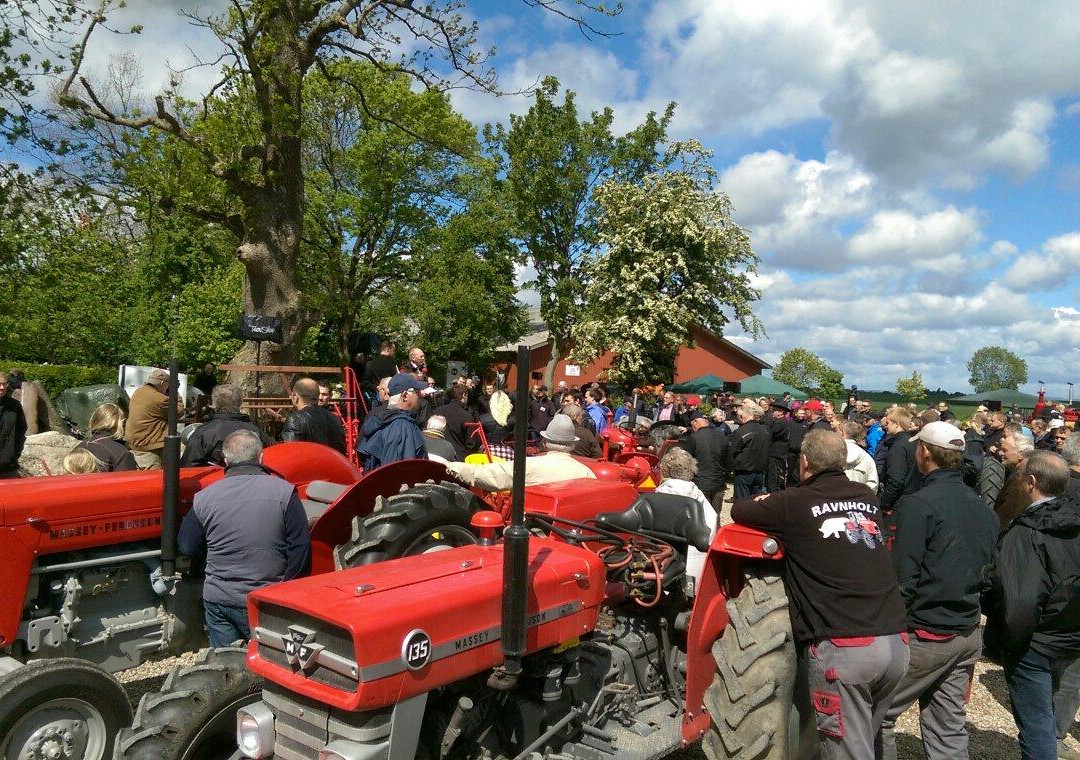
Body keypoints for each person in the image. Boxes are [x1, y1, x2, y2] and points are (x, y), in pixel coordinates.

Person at [732, 430, 909, 760]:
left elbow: (739, 511)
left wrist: (761, 501)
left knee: (846, 751)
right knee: (868, 740)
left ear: (804, 462)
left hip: (847, 649)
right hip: (896, 643)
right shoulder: (867, 499)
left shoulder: (795, 502)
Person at [877, 422, 998, 760]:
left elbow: (904, 576)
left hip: (927, 633)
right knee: (947, 724)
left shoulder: (919, 504)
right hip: (967, 631)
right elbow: (988, 571)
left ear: (925, 453)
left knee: (878, 713)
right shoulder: (984, 509)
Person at [983, 452, 1080, 760]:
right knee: (1045, 711)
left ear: (1031, 483)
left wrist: (1010, 645)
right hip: (1068, 635)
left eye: (1019, 476)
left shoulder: (1026, 531)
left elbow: (1021, 602)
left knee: (1037, 725)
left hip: (1035, 644)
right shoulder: (1074, 521)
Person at [177, 430, 310, 646]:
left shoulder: (203, 498)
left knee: (225, 664)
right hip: (267, 599)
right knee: (268, 662)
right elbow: (301, 548)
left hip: (219, 598)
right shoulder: (284, 492)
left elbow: (187, 546)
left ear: (226, 460)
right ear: (261, 458)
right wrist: (286, 586)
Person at [446, 414, 596, 491]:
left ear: (544, 442)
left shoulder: (529, 466)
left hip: (533, 531)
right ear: (573, 444)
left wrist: (449, 466)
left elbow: (486, 475)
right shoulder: (587, 473)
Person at [653, 446, 717, 592]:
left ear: (664, 469)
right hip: (695, 562)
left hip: (662, 560)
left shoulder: (659, 494)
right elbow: (711, 529)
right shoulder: (699, 497)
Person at [181, 384, 271, 466]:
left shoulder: (203, 432)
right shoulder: (256, 430)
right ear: (240, 403)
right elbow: (272, 456)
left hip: (215, 482)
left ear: (214, 404)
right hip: (252, 480)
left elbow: (188, 466)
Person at [356, 373, 428, 470]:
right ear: (405, 395)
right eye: (416, 391)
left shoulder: (380, 419)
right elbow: (400, 471)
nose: (419, 396)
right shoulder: (402, 427)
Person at [126, 368, 183, 470]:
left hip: (136, 445)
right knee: (154, 482)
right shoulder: (159, 399)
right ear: (162, 382)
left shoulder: (138, 392)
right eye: (168, 384)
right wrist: (175, 392)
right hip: (151, 449)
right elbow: (178, 412)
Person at [282, 377, 346, 454]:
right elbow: (341, 451)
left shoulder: (295, 418)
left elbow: (291, 452)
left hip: (308, 465)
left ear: (295, 396)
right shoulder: (335, 418)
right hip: (332, 464)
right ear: (317, 396)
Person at [681, 413, 728, 509]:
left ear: (695, 421)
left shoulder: (694, 438)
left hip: (700, 483)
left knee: (701, 514)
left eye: (691, 424)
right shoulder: (722, 437)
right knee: (715, 514)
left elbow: (686, 460)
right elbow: (729, 460)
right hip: (718, 482)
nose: (692, 427)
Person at [725, 402, 769, 498]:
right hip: (760, 472)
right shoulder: (764, 430)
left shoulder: (741, 431)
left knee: (742, 501)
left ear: (743, 416)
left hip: (744, 472)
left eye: (739, 416)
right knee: (755, 501)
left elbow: (731, 451)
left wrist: (727, 469)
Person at [77, 403, 138, 471]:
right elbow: (128, 481)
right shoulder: (121, 453)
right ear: (119, 424)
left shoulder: (79, 448)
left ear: (94, 421)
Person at [433, 385, 479, 460]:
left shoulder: (438, 411)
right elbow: (471, 444)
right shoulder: (467, 416)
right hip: (457, 458)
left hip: (437, 455)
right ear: (464, 395)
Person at [0, 371, 28, 478]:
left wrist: (14, 454)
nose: (2, 387)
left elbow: (21, 431)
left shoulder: (14, 406)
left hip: (8, 468)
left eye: (4, 384)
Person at [840, 420, 878, 490]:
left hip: (835, 498)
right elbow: (873, 484)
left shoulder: (832, 455)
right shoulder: (867, 457)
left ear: (841, 433)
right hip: (859, 498)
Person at [361, 340, 398, 406]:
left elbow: (364, 382)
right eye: (393, 350)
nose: (394, 353)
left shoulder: (371, 363)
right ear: (388, 349)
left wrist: (376, 387)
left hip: (377, 397)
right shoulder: (392, 363)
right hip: (390, 396)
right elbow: (397, 379)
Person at [765, 400, 790, 492]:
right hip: (774, 454)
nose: (772, 412)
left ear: (780, 412)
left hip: (776, 454)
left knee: (773, 477)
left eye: (774, 410)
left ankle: (773, 493)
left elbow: (771, 433)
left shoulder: (782, 423)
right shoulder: (777, 422)